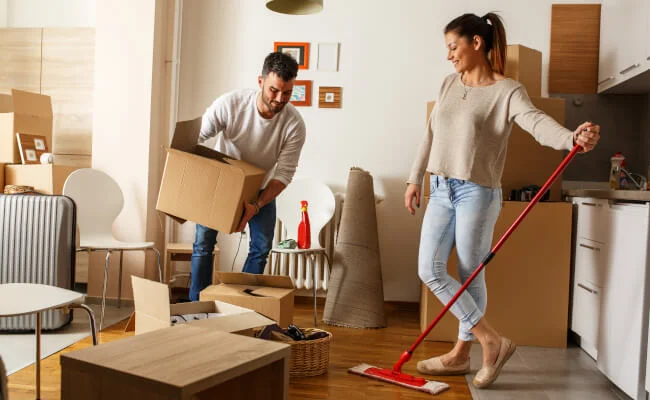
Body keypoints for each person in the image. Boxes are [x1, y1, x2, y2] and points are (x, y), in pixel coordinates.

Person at [405, 12, 600, 389]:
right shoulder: (448, 84)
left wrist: (570, 138)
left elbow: (536, 122)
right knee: (428, 268)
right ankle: (490, 340)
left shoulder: (507, 90)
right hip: (440, 190)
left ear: (476, 43)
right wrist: (415, 178)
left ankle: (463, 353)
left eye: (452, 46)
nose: (448, 55)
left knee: (469, 272)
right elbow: (428, 135)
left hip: (476, 192)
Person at [189, 51, 307, 301]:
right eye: (274, 90)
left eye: (287, 93)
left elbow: (285, 173)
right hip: (221, 184)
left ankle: (240, 305)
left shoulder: (294, 124)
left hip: (261, 190)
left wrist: (257, 204)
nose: (279, 99)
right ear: (261, 81)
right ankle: (195, 306)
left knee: (261, 248)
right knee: (203, 245)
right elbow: (194, 138)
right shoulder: (231, 104)